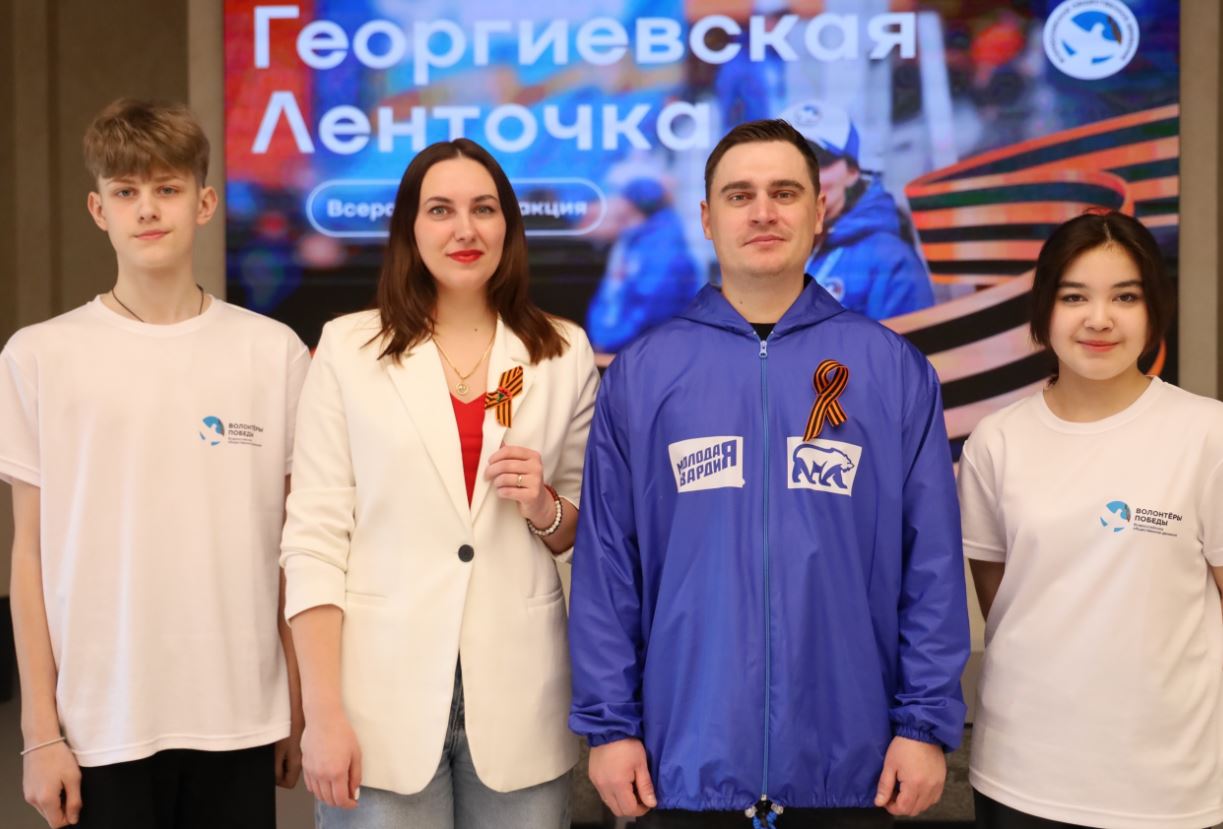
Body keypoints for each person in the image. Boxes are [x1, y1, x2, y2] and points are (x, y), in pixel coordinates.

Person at [569, 119, 969, 828]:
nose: (762, 212)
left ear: (820, 211)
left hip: (853, 770)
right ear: (706, 218)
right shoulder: (645, 372)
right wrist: (610, 727)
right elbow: (607, 568)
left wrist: (923, 724)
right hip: (679, 768)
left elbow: (931, 565)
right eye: (739, 195)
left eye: (784, 193)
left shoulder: (889, 369)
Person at [0, 98, 308, 829]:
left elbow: (296, 550)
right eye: (125, 191)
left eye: (167, 188)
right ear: (97, 209)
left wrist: (296, 706)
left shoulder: (273, 353)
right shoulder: (39, 355)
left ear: (204, 203)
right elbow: (29, 555)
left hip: (240, 717)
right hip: (99, 722)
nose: (147, 209)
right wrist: (38, 732)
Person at [281, 138, 599, 829]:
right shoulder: (347, 348)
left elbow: (587, 533)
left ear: (508, 227)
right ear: (409, 228)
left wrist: (544, 506)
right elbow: (313, 539)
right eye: (440, 210)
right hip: (376, 706)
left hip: (521, 703)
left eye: (483, 209)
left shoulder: (561, 351)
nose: (464, 229)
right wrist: (322, 712)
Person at [958, 211, 1223, 829]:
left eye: (1125, 297)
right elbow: (1006, 605)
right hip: (1021, 776)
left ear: (1153, 309)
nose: (1099, 319)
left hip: (1171, 787)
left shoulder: (1207, 433)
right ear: (1044, 310)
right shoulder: (997, 441)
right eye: (1074, 296)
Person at [779, 100, 934, 320]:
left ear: (852, 172)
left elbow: (911, 341)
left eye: (819, 160)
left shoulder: (890, 260)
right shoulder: (763, 249)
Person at [586, 176, 702, 352]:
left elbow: (652, 309)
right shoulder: (634, 242)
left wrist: (609, 342)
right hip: (628, 349)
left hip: (648, 353)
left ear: (631, 206)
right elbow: (610, 296)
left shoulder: (662, 250)